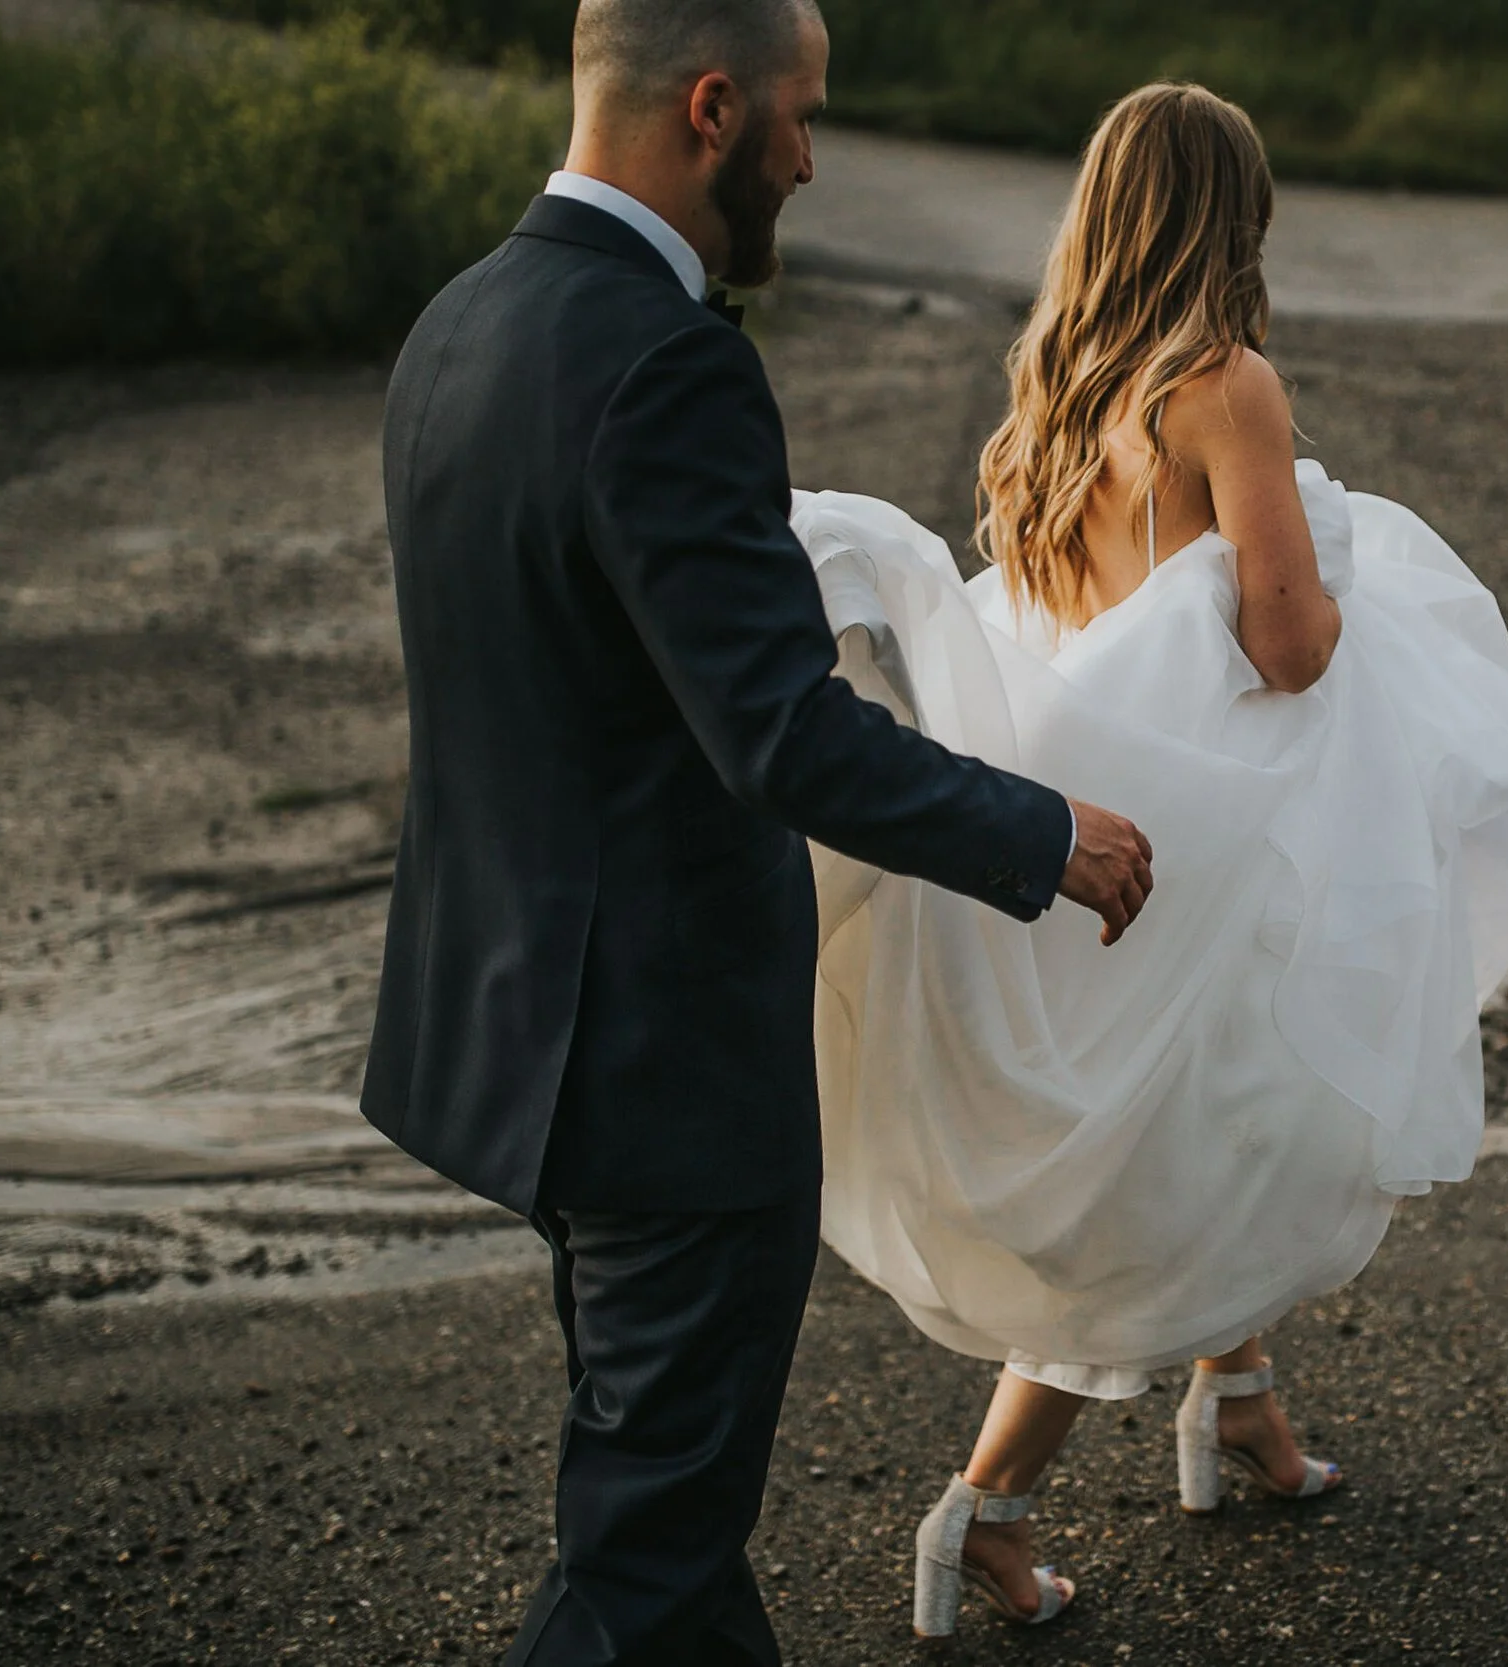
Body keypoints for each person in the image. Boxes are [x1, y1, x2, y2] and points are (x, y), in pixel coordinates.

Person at [358, 0, 1155, 1660]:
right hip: (662, 1071)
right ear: (710, 109)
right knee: (646, 1551)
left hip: (511, 1034)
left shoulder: (457, 323)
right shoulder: (669, 362)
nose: (811, 157)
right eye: (797, 118)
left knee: (668, 1510)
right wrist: (1042, 832)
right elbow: (781, 733)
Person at [787, 83, 1508, 1635]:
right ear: (1237, 220)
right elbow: (1288, 648)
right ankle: (988, 1515)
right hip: (1201, 835)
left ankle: (1242, 1413)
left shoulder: (1051, 391)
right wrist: (1353, 580)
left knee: (1245, 1104)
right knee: (1179, 1162)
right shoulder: (1225, 387)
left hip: (1086, 814)